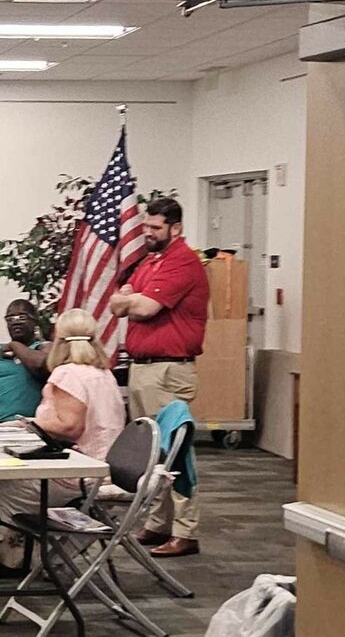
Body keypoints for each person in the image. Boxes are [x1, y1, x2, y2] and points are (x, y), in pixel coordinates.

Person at [0, 307, 125, 589]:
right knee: (7, 488)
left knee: (3, 492)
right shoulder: (103, 374)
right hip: (99, 466)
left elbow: (69, 427)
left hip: (77, 473)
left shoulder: (67, 374)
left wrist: (37, 424)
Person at [109, 197, 208, 558]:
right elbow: (116, 303)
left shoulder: (183, 261)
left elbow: (146, 308)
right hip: (144, 368)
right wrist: (129, 300)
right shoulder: (151, 261)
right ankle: (157, 524)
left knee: (175, 451)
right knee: (153, 453)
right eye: (145, 227)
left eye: (155, 228)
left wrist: (132, 301)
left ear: (175, 228)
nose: (147, 233)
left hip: (168, 370)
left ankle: (186, 530)